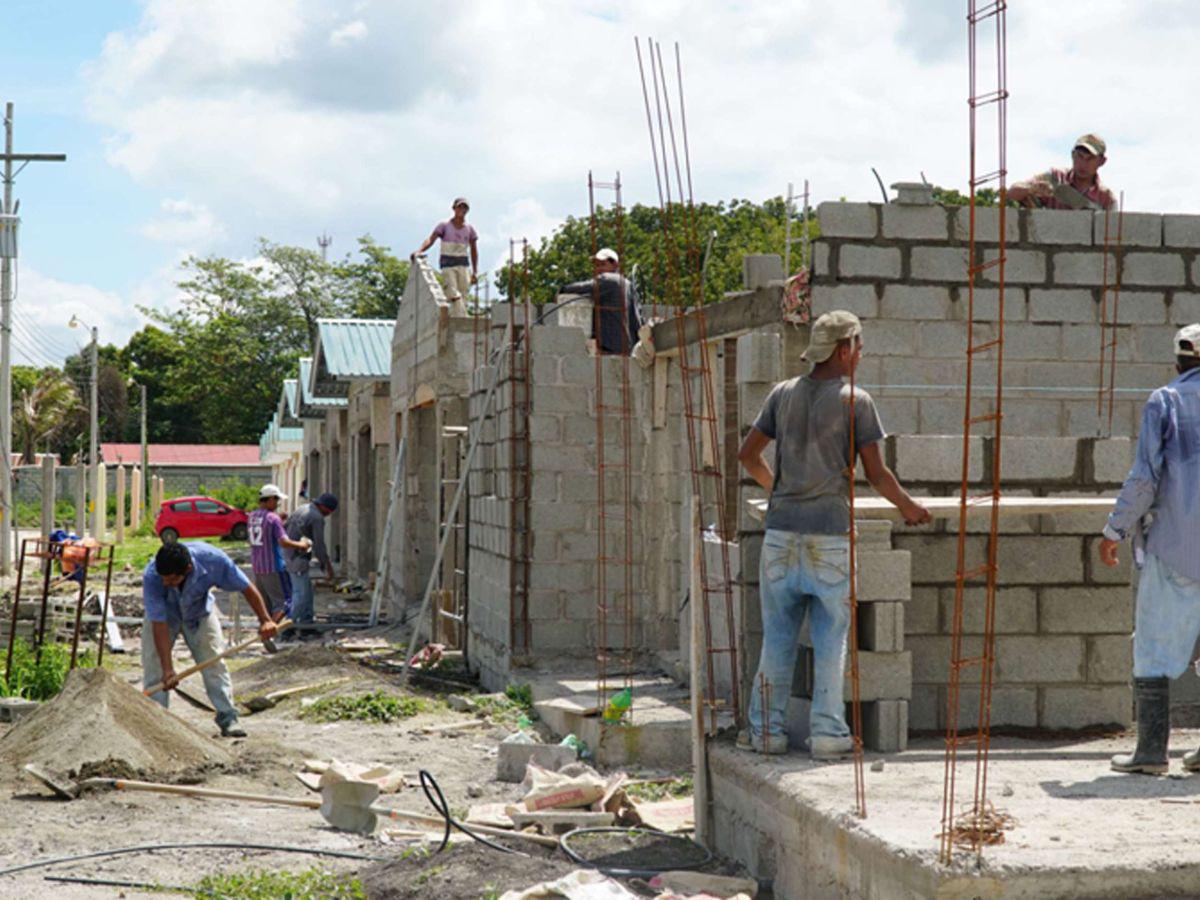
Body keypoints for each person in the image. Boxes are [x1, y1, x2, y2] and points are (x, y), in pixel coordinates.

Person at [736, 310, 931, 757]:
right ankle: (828, 734)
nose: (861, 355)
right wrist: (910, 509)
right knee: (830, 639)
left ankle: (765, 732)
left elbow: (747, 455)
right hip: (830, 539)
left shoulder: (782, 394)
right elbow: (877, 474)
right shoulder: (855, 401)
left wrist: (782, 490)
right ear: (843, 350)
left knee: (778, 638)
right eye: (859, 347)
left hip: (781, 535)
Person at [1102, 324, 1200, 774]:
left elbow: (1145, 478)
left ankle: (1150, 753)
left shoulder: (1166, 400)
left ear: (1178, 360)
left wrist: (1113, 530)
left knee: (1154, 649)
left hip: (1175, 547)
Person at [142, 541, 278, 737]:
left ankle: (228, 716)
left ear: (188, 569)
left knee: (213, 662)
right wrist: (168, 669)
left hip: (199, 614)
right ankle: (157, 723)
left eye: (171, 580)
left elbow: (246, 587)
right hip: (165, 618)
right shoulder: (153, 575)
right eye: (164, 579)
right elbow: (159, 623)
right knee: (154, 667)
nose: (166, 583)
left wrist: (265, 620)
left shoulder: (214, 560)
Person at [558, 248, 643, 355]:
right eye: (597, 266)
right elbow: (637, 318)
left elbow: (582, 287)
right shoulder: (628, 285)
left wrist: (562, 290)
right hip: (628, 348)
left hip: (610, 347)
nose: (598, 269)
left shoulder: (609, 280)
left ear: (615, 265)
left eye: (602, 264)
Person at [247, 484, 311, 622]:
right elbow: (283, 541)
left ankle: (265, 629)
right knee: (284, 603)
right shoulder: (272, 518)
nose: (277, 504)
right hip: (274, 566)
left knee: (265, 604)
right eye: (276, 501)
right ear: (270, 499)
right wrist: (301, 545)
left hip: (258, 567)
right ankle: (271, 631)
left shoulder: (252, 516)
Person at [1009, 133, 1116, 211]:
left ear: (1102, 161)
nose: (1083, 164)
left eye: (1090, 159)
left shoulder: (1106, 198)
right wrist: (1032, 189)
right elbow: (1012, 193)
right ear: (1072, 155)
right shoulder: (1054, 177)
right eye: (1079, 156)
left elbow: (1112, 232)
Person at [412, 198, 479, 316]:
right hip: (448, 264)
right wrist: (420, 251)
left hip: (463, 265)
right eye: (460, 207)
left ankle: (456, 318)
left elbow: (474, 250)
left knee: (463, 295)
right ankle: (462, 318)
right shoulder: (444, 225)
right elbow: (431, 239)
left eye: (464, 208)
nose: (462, 210)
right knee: (453, 293)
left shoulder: (469, 229)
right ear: (454, 208)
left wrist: (475, 272)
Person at [284, 492, 337, 639]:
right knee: (300, 595)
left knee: (306, 593)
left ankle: (307, 625)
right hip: (297, 558)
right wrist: (327, 566)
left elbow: (285, 527)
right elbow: (319, 545)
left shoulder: (302, 508)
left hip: (289, 555)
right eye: (329, 512)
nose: (328, 515)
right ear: (324, 507)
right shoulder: (316, 517)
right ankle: (289, 627)